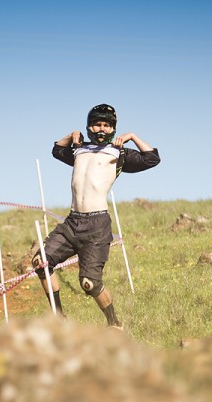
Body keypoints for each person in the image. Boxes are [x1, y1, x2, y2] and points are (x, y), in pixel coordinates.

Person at [33, 103, 160, 328]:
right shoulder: (78, 150)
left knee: (89, 283)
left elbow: (152, 158)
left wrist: (132, 136)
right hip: (72, 222)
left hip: (97, 225)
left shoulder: (119, 153)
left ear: (113, 129)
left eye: (107, 125)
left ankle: (114, 324)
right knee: (41, 263)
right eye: (97, 124)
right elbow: (55, 150)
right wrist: (70, 135)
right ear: (89, 126)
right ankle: (58, 318)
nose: (101, 129)